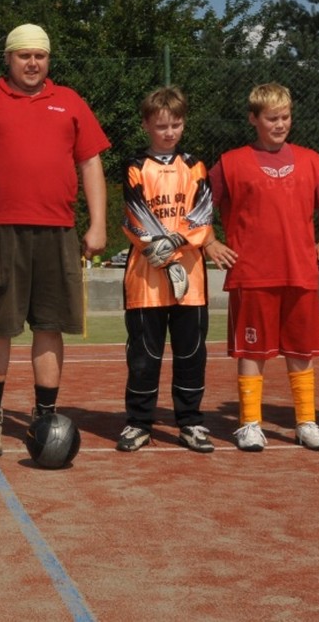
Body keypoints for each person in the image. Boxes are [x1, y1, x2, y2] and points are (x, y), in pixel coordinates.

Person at [0, 23, 110, 457]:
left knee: (50, 327)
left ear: (48, 59)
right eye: (24, 56)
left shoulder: (70, 101)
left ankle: (44, 416)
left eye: (40, 55)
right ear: (8, 58)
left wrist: (98, 224)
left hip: (57, 230)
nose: (33, 63)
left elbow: (91, 163)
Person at [203, 84, 319, 452]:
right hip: (252, 273)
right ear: (253, 119)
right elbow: (200, 205)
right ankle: (249, 424)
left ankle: (306, 422)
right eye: (272, 118)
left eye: (285, 117)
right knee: (252, 352)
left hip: (300, 271)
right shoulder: (231, 162)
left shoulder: (310, 160)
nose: (280, 124)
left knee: (301, 351)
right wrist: (210, 242)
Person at [117, 87, 216, 453]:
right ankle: (138, 422)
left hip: (191, 282)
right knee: (144, 357)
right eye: (161, 126)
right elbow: (135, 215)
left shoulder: (195, 166)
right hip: (146, 280)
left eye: (176, 124)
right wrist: (161, 248)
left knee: (191, 355)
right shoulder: (134, 166)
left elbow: (203, 214)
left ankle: (190, 422)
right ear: (146, 125)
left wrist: (174, 243)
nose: (169, 132)